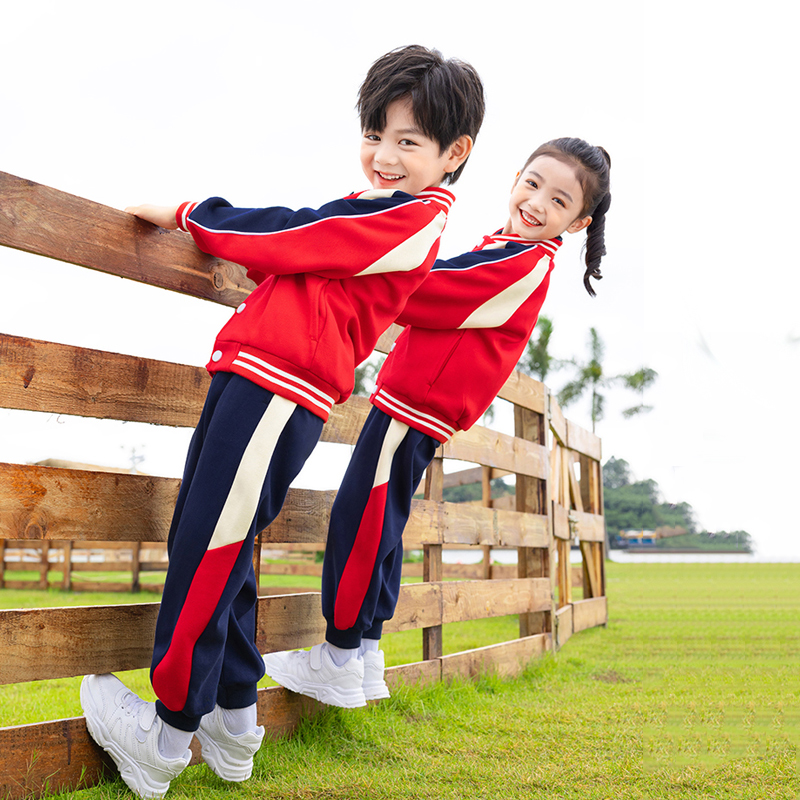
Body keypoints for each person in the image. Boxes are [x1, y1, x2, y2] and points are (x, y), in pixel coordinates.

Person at [79, 44, 485, 800]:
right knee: (218, 546)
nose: (385, 155)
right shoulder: (378, 211)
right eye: (375, 134)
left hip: (279, 388)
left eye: (409, 141)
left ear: (453, 154)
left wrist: (192, 213)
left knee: (208, 545)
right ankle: (234, 724)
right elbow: (300, 256)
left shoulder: (412, 221)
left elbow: (290, 239)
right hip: (260, 380)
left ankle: (163, 741)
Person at [263, 137, 611, 706]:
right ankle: (365, 652)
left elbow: (433, 291)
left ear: (576, 224)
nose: (538, 202)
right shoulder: (505, 250)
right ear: (516, 177)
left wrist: (363, 267)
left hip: (414, 405)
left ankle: (340, 653)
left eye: (559, 201)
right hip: (417, 404)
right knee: (384, 522)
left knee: (362, 519)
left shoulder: (520, 261)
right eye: (533, 184)